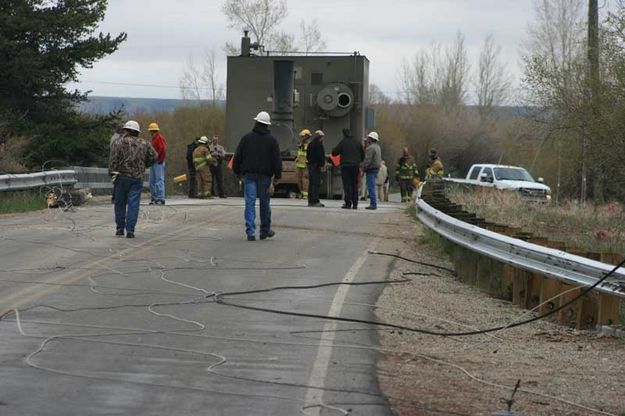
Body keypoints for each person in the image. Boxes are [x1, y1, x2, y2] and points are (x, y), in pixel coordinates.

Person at [232, 111, 282, 241]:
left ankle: (250, 232)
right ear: (267, 125)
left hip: (249, 176)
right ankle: (264, 231)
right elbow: (276, 160)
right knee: (265, 204)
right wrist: (277, 176)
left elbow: (237, 157)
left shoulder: (246, 138)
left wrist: (238, 173)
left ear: (256, 122)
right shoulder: (272, 141)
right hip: (265, 177)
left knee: (250, 203)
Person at [109, 120, 157, 238]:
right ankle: (130, 230)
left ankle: (120, 229)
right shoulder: (145, 143)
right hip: (137, 178)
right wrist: (145, 165)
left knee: (120, 203)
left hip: (121, 176)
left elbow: (113, 159)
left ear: (127, 130)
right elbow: (154, 156)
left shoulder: (118, 142)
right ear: (137, 132)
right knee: (133, 204)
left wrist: (112, 173)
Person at [332, 128, 364, 210]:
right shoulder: (357, 142)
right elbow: (363, 155)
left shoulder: (343, 142)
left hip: (345, 166)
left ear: (344, 134)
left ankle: (348, 203)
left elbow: (334, 153)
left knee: (347, 185)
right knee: (354, 185)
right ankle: (355, 204)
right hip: (355, 166)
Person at [148, 122, 167, 205]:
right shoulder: (154, 138)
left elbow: (162, 149)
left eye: (150, 131)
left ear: (152, 131)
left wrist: (160, 159)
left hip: (158, 162)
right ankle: (154, 197)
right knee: (152, 181)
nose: (150, 133)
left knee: (159, 180)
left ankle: (160, 198)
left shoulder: (159, 138)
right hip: (154, 162)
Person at [362, 131, 382, 210]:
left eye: (368, 138)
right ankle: (373, 203)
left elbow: (368, 160)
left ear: (371, 139)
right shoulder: (378, 147)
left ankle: (373, 204)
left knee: (371, 186)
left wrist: (364, 168)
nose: (367, 139)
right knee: (372, 185)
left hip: (371, 169)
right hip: (376, 169)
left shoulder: (370, 148)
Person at [306, 129, 326, 207]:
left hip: (310, 165)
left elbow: (307, 154)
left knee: (311, 184)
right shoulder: (319, 144)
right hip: (316, 166)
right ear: (320, 137)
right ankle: (315, 201)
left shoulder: (310, 144)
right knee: (316, 184)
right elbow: (320, 156)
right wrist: (321, 164)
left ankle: (310, 201)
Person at [295, 129, 311, 199]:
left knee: (305, 179)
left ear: (307, 136)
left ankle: (305, 194)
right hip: (299, 164)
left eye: (303, 136)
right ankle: (301, 192)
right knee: (298, 179)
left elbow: (305, 150)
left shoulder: (308, 144)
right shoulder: (301, 144)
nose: (301, 137)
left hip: (305, 164)